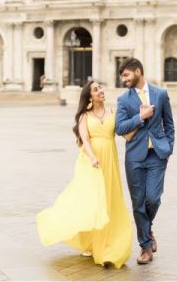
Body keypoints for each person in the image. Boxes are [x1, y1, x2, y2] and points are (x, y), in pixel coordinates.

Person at [37, 81, 134, 269]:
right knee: (92, 202)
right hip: (92, 162)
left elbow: (126, 135)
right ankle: (91, 241)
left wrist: (141, 118)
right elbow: (85, 140)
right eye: (96, 89)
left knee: (110, 200)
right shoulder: (84, 116)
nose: (101, 91)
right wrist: (92, 158)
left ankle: (109, 245)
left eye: (101, 88)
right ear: (90, 97)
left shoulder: (113, 113)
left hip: (110, 160)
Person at [115, 58, 175, 265]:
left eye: (126, 75)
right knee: (138, 203)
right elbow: (120, 128)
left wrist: (169, 149)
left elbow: (169, 124)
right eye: (123, 76)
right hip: (134, 157)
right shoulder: (123, 100)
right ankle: (145, 247)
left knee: (153, 199)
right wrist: (141, 117)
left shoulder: (160, 94)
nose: (124, 79)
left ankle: (147, 229)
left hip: (157, 155)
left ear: (138, 71)